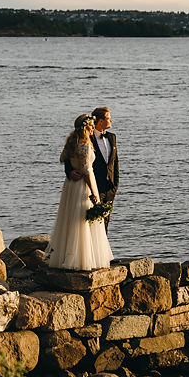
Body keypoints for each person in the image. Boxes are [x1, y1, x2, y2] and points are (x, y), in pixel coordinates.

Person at [46, 114, 114, 270]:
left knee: (72, 219)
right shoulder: (84, 144)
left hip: (70, 186)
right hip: (82, 185)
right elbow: (86, 170)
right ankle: (81, 259)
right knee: (82, 220)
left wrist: (71, 171)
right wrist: (95, 193)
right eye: (91, 125)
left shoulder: (72, 143)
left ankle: (67, 255)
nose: (93, 128)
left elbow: (64, 159)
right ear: (85, 127)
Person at [66, 106, 119, 231]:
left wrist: (115, 184)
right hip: (92, 186)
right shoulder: (86, 137)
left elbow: (115, 162)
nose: (111, 121)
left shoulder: (112, 137)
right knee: (91, 223)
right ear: (100, 121)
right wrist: (69, 171)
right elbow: (69, 156)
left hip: (109, 187)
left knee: (105, 223)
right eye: (109, 118)